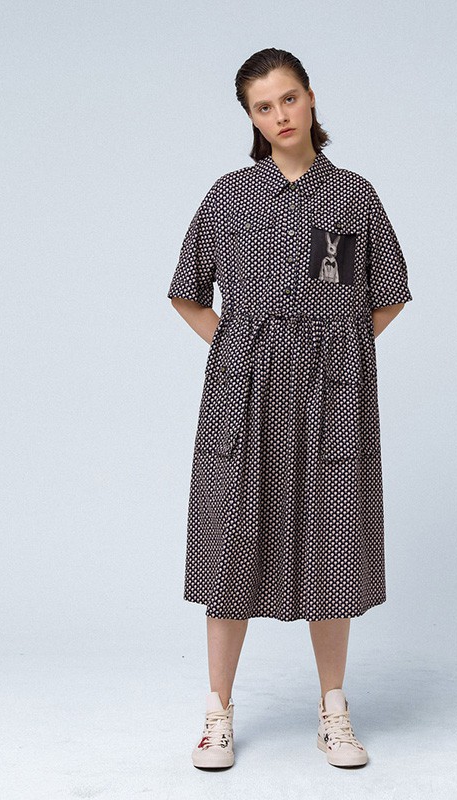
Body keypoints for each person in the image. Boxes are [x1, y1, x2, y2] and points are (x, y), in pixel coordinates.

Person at [167, 47, 413, 770]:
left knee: (333, 542)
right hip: (242, 393)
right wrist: (240, 347)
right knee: (232, 541)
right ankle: (217, 713)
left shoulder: (351, 197)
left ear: (310, 98)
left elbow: (385, 293)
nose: (280, 115)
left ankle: (333, 710)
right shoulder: (229, 197)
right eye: (263, 106)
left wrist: (334, 354)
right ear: (251, 118)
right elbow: (187, 291)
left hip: (330, 396)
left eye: (288, 98)